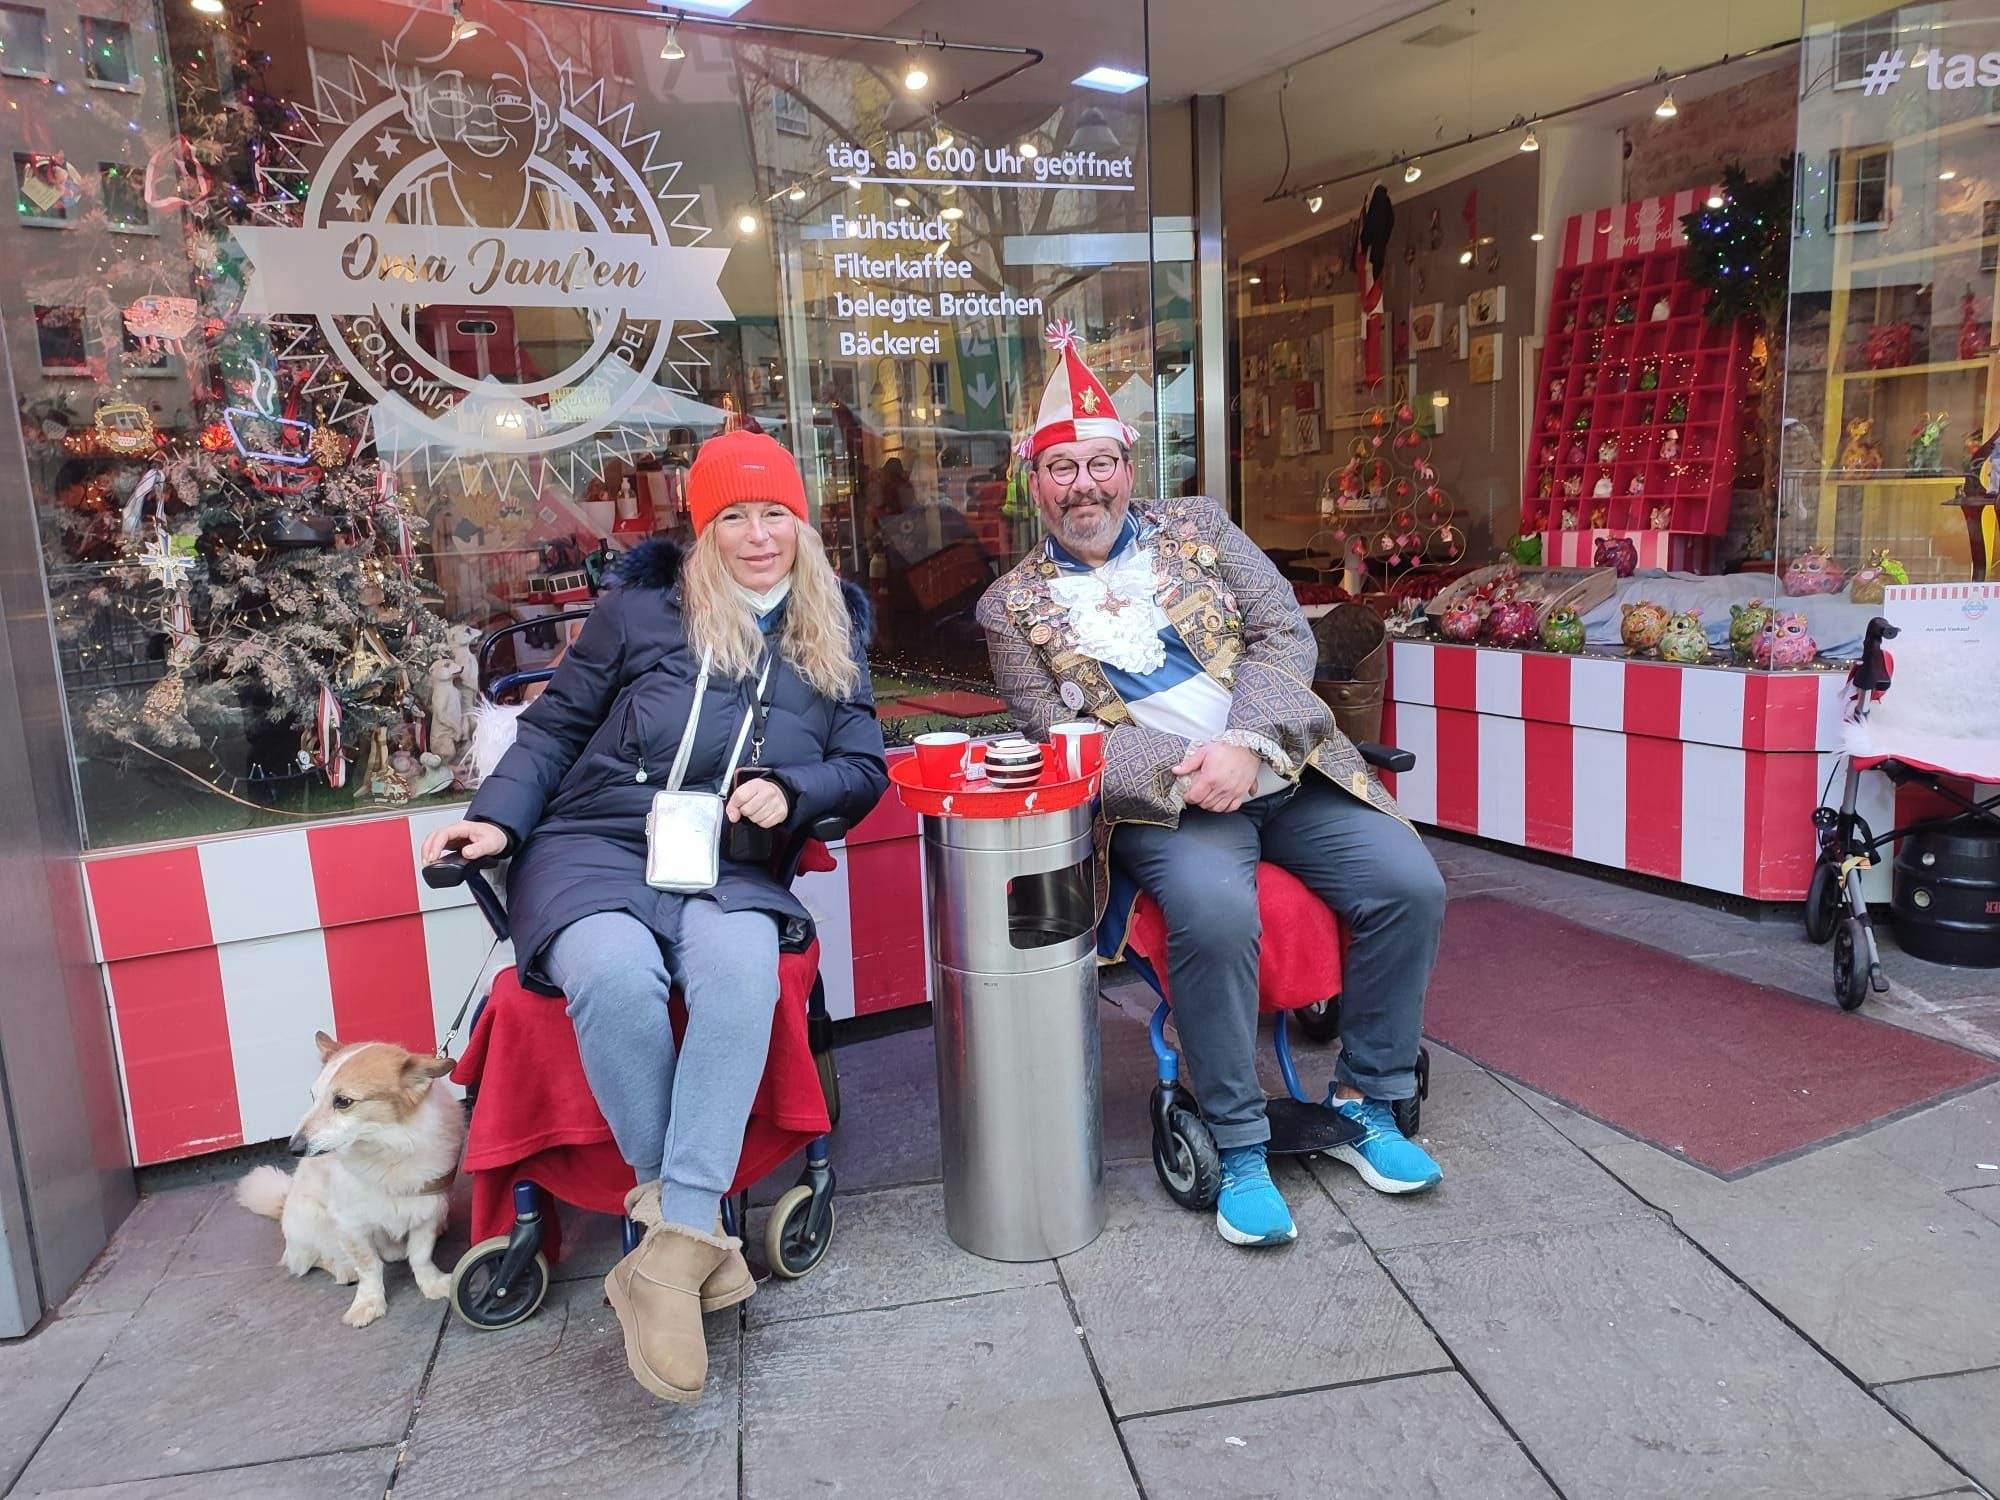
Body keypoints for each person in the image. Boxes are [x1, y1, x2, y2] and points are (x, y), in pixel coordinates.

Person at [422, 430, 887, 1402]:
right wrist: (493, 825)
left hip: (726, 861)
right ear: (701, 527)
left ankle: (664, 1259)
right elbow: (551, 729)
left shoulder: (829, 631)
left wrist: (793, 790)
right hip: (594, 844)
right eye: (732, 516)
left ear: (799, 522)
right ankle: (687, 1230)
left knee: (739, 972)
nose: (757, 535)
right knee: (611, 972)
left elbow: (862, 768)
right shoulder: (641, 610)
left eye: (774, 514)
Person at [976, 323, 1447, 1249]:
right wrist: (1185, 772)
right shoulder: (1011, 605)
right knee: (1220, 918)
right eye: (1062, 468)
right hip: (1165, 807)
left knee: (1410, 885)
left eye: (1100, 463)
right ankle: (1238, 1140)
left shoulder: (1201, 528)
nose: (1085, 486)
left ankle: (1366, 1100)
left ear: (1127, 464)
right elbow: (1055, 733)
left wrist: (1245, 743)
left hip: (1281, 769)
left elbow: (1286, 635)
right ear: (1034, 484)